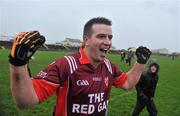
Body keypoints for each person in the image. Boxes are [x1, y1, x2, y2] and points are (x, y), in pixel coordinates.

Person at [9, 17, 151, 116]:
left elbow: (127, 83)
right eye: (101, 36)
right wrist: (18, 64)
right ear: (86, 40)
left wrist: (140, 63)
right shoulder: (66, 65)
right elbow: (26, 101)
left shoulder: (109, 66)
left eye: (110, 37)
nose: (108, 42)